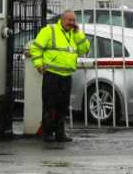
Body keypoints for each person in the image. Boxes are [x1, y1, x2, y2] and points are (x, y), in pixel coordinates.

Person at [29, 10, 91, 143]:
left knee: (63, 106)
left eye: (74, 21)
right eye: (70, 20)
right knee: (50, 105)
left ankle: (60, 133)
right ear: (62, 20)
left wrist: (78, 33)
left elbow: (84, 49)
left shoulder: (74, 34)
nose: (72, 23)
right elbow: (36, 48)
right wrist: (39, 65)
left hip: (66, 75)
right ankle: (47, 133)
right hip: (52, 74)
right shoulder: (49, 30)